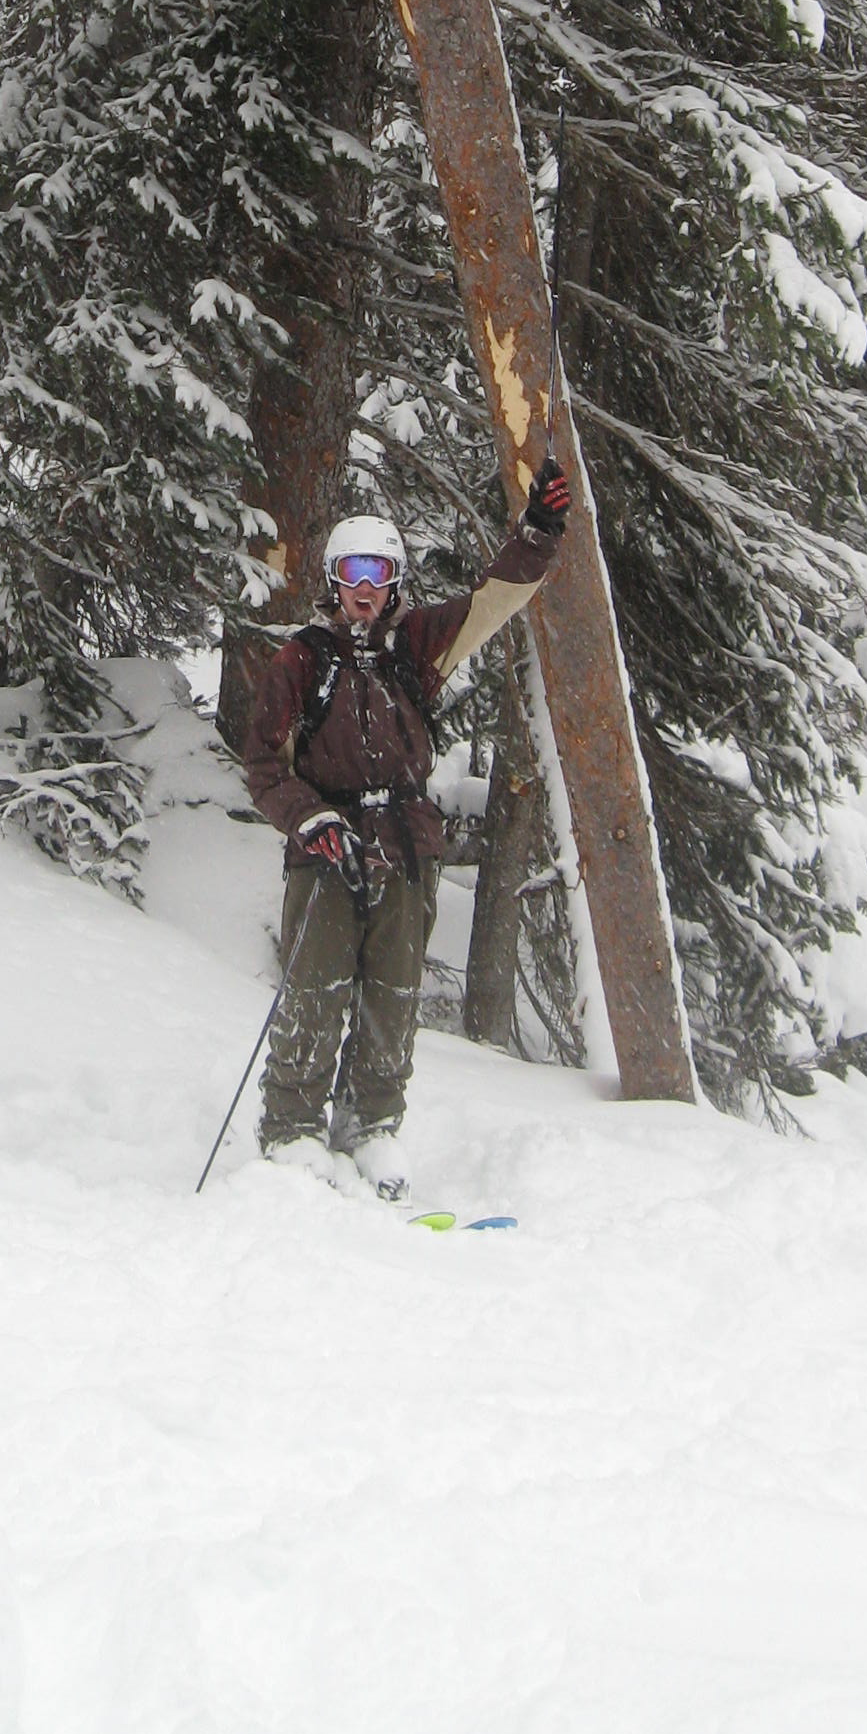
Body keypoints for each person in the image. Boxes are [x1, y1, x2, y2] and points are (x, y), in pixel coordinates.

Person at [243, 459, 571, 1199]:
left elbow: (493, 601)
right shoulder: (301, 660)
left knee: (392, 993)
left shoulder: (417, 647)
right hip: (326, 848)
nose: (367, 588)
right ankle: (291, 1126)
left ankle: (370, 1127)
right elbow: (265, 766)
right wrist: (311, 819)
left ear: (395, 583)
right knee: (316, 986)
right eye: (354, 572)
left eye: (381, 573)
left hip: (405, 846)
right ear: (334, 579)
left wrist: (539, 531)